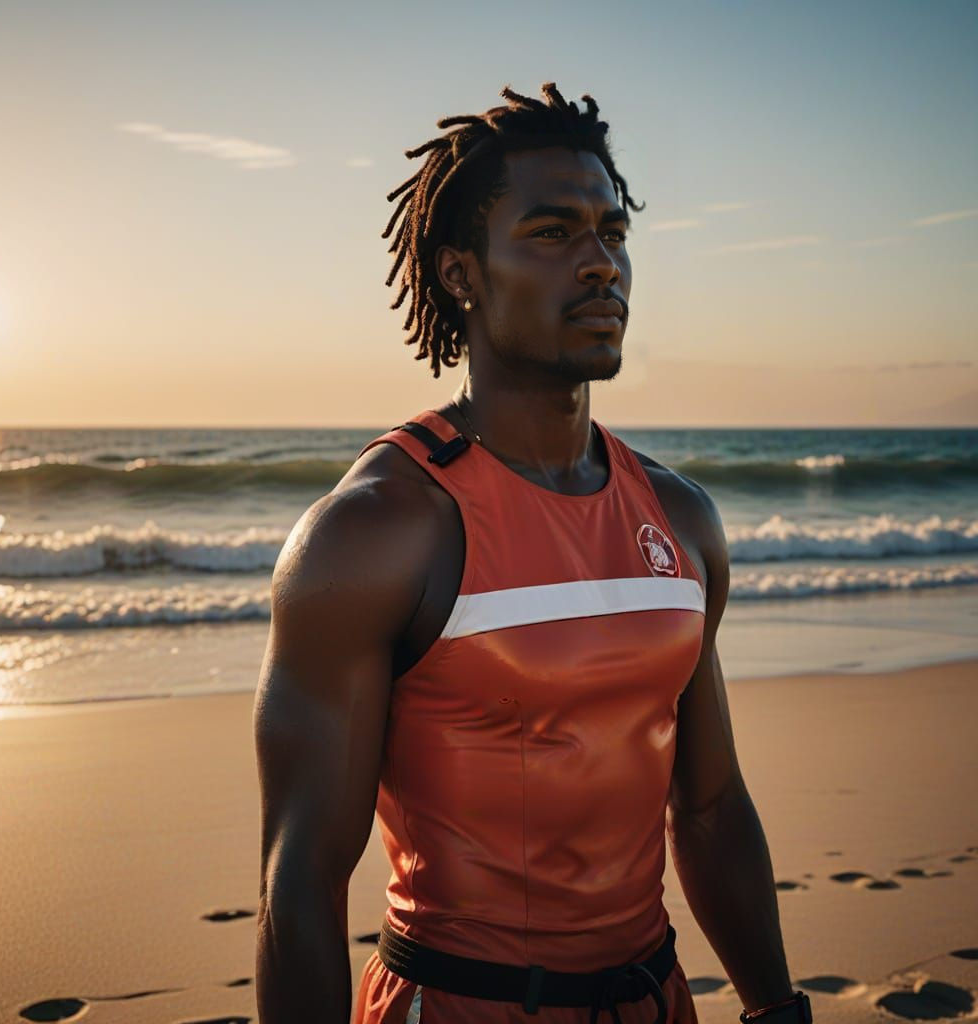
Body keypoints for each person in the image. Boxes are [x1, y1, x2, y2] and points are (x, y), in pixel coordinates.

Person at [253, 83, 811, 1024]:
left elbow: (711, 809)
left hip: (657, 1000)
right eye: (553, 234)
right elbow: (299, 882)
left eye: (613, 233)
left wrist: (775, 1009)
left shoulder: (680, 519)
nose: (601, 266)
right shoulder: (379, 532)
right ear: (462, 273)